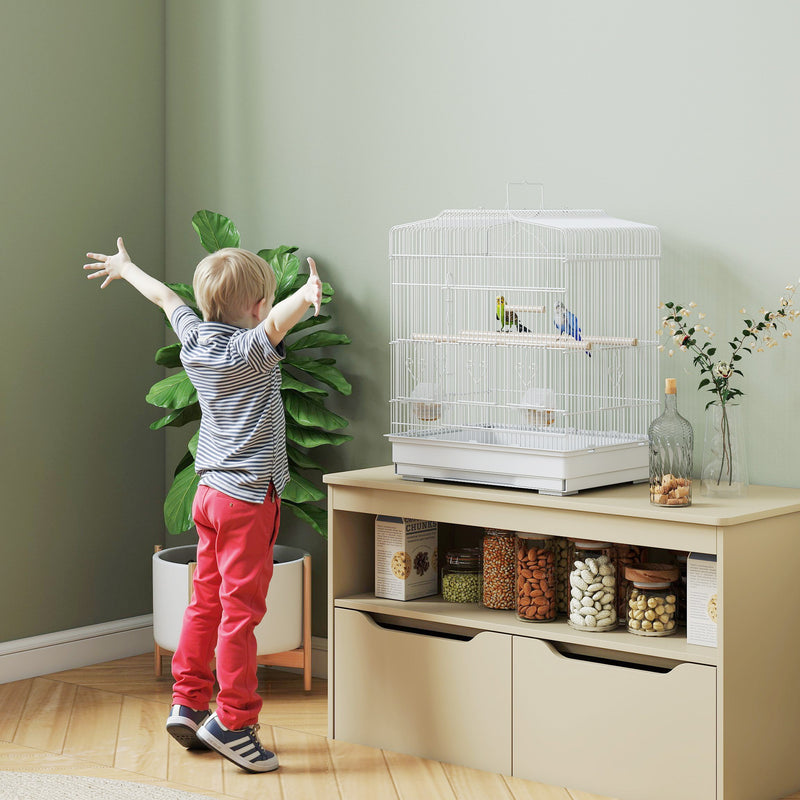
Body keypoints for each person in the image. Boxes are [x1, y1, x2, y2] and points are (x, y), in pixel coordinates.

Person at [84, 237, 322, 773]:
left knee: (205, 600)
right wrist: (307, 294)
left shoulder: (196, 340)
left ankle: (188, 703)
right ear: (257, 307)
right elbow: (279, 324)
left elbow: (166, 300)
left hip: (209, 493)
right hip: (246, 500)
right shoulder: (250, 350)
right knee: (241, 614)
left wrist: (126, 268)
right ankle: (234, 722)